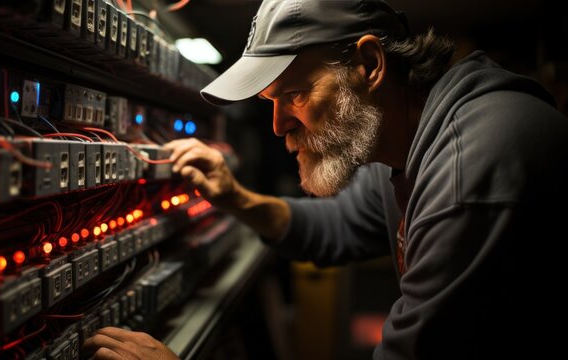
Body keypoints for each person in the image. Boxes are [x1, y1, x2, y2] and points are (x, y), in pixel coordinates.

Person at [83, 0, 568, 358]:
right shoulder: (402, 144)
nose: (277, 126)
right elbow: (341, 225)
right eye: (269, 102)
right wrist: (235, 199)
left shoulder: (471, 171)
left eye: (293, 94)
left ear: (369, 65)